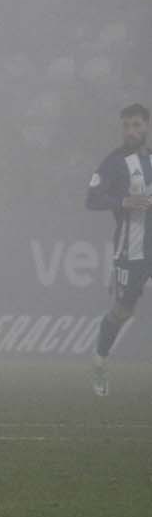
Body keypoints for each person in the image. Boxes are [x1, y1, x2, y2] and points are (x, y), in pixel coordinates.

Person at [86, 103, 151, 396]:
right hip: (130, 250)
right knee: (122, 312)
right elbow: (92, 199)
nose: (130, 131)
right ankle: (99, 361)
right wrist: (123, 202)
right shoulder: (114, 162)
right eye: (126, 126)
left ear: (146, 127)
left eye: (136, 125)